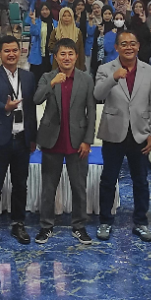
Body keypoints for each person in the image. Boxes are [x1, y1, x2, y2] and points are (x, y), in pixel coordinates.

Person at [94, 30, 151, 242]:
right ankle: (105, 221)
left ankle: (141, 222)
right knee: (108, 179)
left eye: (132, 43)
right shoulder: (105, 69)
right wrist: (113, 78)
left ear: (138, 46)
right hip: (113, 132)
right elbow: (97, 94)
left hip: (140, 133)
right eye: (124, 44)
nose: (128, 47)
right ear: (116, 47)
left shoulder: (149, 71)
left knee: (141, 180)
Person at [33, 39, 96, 245]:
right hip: (52, 140)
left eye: (70, 53)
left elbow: (91, 112)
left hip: (77, 142)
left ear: (76, 56)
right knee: (48, 187)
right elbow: (36, 99)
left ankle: (79, 226)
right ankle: (46, 226)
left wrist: (88, 140)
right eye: (62, 54)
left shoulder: (86, 79)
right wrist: (52, 83)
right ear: (56, 57)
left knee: (79, 187)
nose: (67, 58)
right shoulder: (47, 77)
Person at [0, 35, 37, 246]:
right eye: (7, 51)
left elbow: (31, 110)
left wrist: (33, 137)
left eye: (15, 50)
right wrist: (5, 107)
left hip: (22, 139)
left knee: (20, 184)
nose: (11, 54)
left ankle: (18, 223)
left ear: (20, 51)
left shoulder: (29, 77)